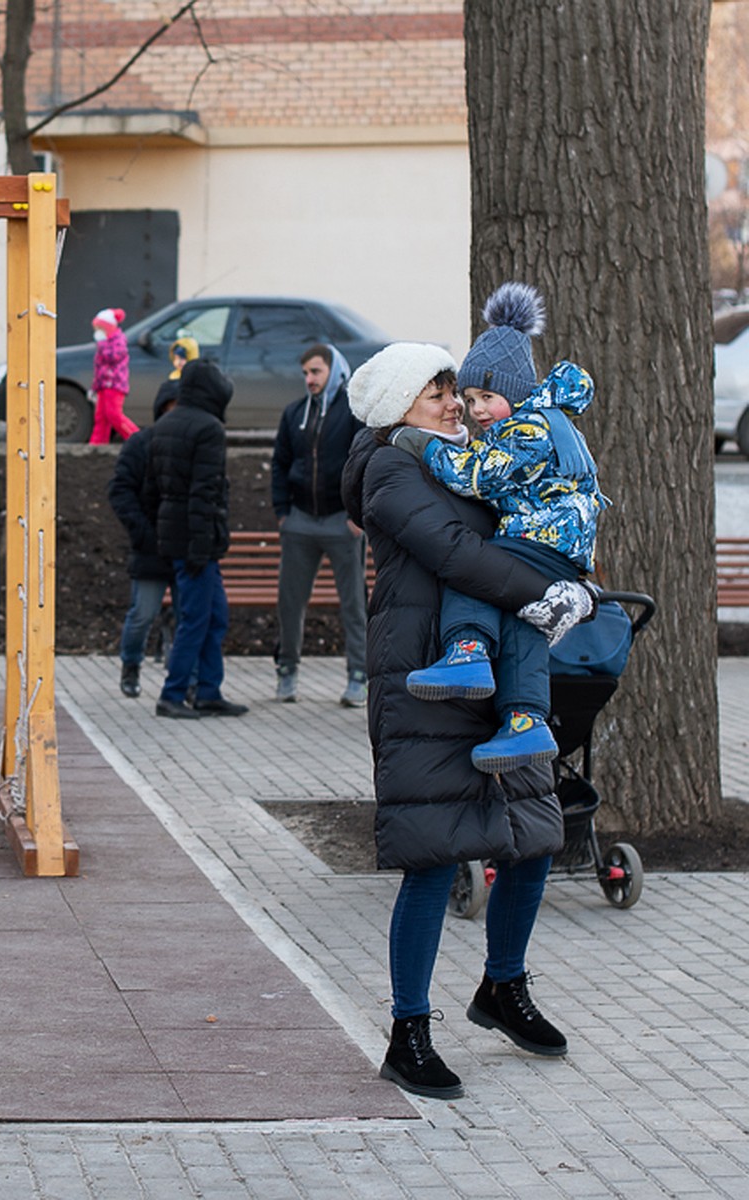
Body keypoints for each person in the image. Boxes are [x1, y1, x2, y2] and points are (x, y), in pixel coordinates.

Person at [341, 342, 596, 1101]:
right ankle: (408, 1032)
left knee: (532, 836)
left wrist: (577, 581)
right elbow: (454, 551)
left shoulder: (473, 455)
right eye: (435, 393)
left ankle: (503, 987)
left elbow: (532, 522)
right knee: (433, 854)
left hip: (493, 673)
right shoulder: (391, 467)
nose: (453, 402)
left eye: (453, 387)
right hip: (427, 675)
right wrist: (544, 598)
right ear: (398, 408)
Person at [395, 283, 605, 773]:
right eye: (470, 399)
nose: (476, 409)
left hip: (543, 539)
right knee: (522, 617)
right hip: (557, 543)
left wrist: (422, 446)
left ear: (514, 391)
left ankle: (467, 649)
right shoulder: (544, 423)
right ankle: (525, 721)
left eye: (486, 396)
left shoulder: (530, 429)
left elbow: (477, 475)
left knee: (477, 569)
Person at [146, 358, 248, 719]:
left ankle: (208, 690)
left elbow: (154, 488)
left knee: (213, 614)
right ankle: (173, 694)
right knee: (196, 618)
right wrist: (201, 547)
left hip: (175, 534)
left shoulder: (166, 424)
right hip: (195, 541)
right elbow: (204, 494)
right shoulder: (208, 429)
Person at [271, 343, 368, 707]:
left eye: (316, 372)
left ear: (334, 371)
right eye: (306, 373)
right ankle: (287, 670)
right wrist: (283, 512)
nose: (309, 379)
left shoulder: (351, 412)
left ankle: (359, 675)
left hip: (341, 524)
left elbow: (362, 462)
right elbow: (280, 462)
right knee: (290, 602)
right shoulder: (295, 413)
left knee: (353, 604)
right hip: (299, 522)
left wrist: (356, 515)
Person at [107, 387, 179, 698]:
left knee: (186, 615)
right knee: (142, 615)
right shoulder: (140, 444)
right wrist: (142, 533)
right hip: (150, 548)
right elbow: (120, 491)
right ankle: (131, 665)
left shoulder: (193, 443)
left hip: (182, 547)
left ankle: (180, 674)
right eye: (171, 408)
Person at [88, 307, 138, 445]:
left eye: (100, 328)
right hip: (103, 385)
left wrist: (102, 343)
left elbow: (113, 357)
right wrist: (94, 387)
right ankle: (97, 444)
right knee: (101, 417)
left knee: (113, 414)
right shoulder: (104, 343)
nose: (98, 333)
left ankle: (136, 437)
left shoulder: (118, 340)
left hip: (115, 385)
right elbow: (99, 368)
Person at [152, 336, 200, 413]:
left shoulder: (197, 377)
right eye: (176, 358)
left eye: (183, 359)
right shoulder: (173, 376)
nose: (178, 362)